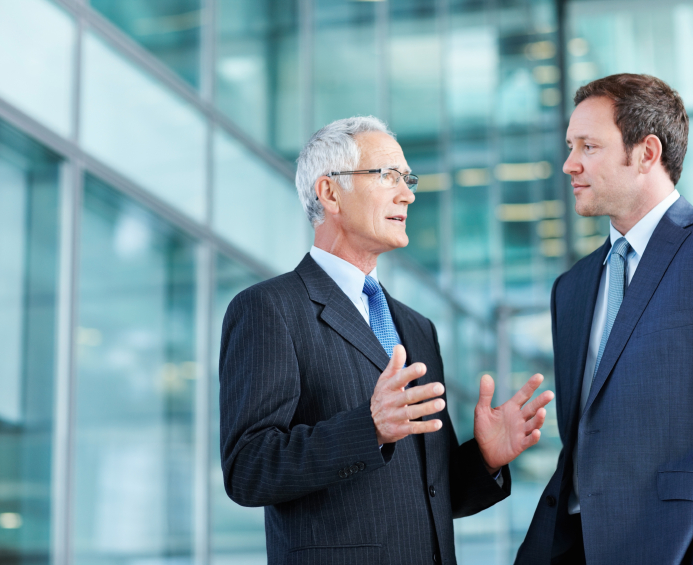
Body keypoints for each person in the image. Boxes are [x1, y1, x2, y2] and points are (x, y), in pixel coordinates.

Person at [220, 116, 554, 565]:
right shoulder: (269, 308)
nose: (408, 194)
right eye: (387, 176)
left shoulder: (417, 327)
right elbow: (248, 470)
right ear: (330, 193)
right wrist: (368, 429)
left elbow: (432, 496)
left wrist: (486, 459)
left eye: (408, 179)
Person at [515, 74, 693, 565]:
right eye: (570, 146)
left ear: (647, 153)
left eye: (589, 146)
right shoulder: (571, 287)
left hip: (675, 548)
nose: (569, 164)